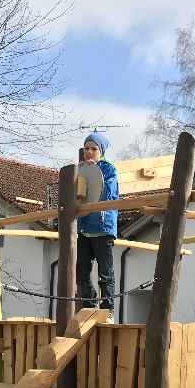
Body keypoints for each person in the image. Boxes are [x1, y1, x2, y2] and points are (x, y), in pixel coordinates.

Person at [76, 132, 119, 310]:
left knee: (105, 272)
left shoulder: (108, 169)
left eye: (94, 148)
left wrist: (95, 171)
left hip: (102, 226)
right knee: (82, 271)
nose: (89, 152)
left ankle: (108, 309)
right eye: (86, 148)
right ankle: (88, 304)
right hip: (85, 227)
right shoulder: (80, 168)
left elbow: (107, 194)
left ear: (101, 151)